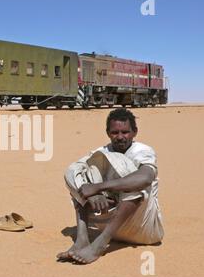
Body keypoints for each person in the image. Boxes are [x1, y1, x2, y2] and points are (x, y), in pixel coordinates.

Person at [57, 108, 164, 264]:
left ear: (135, 132)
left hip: (144, 229)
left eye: (125, 132)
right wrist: (92, 193)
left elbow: (146, 178)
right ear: (108, 133)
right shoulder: (102, 151)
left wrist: (99, 187)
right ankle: (82, 240)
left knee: (132, 178)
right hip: (113, 224)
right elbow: (74, 173)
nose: (120, 137)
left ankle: (98, 246)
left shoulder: (142, 151)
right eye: (115, 133)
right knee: (76, 172)